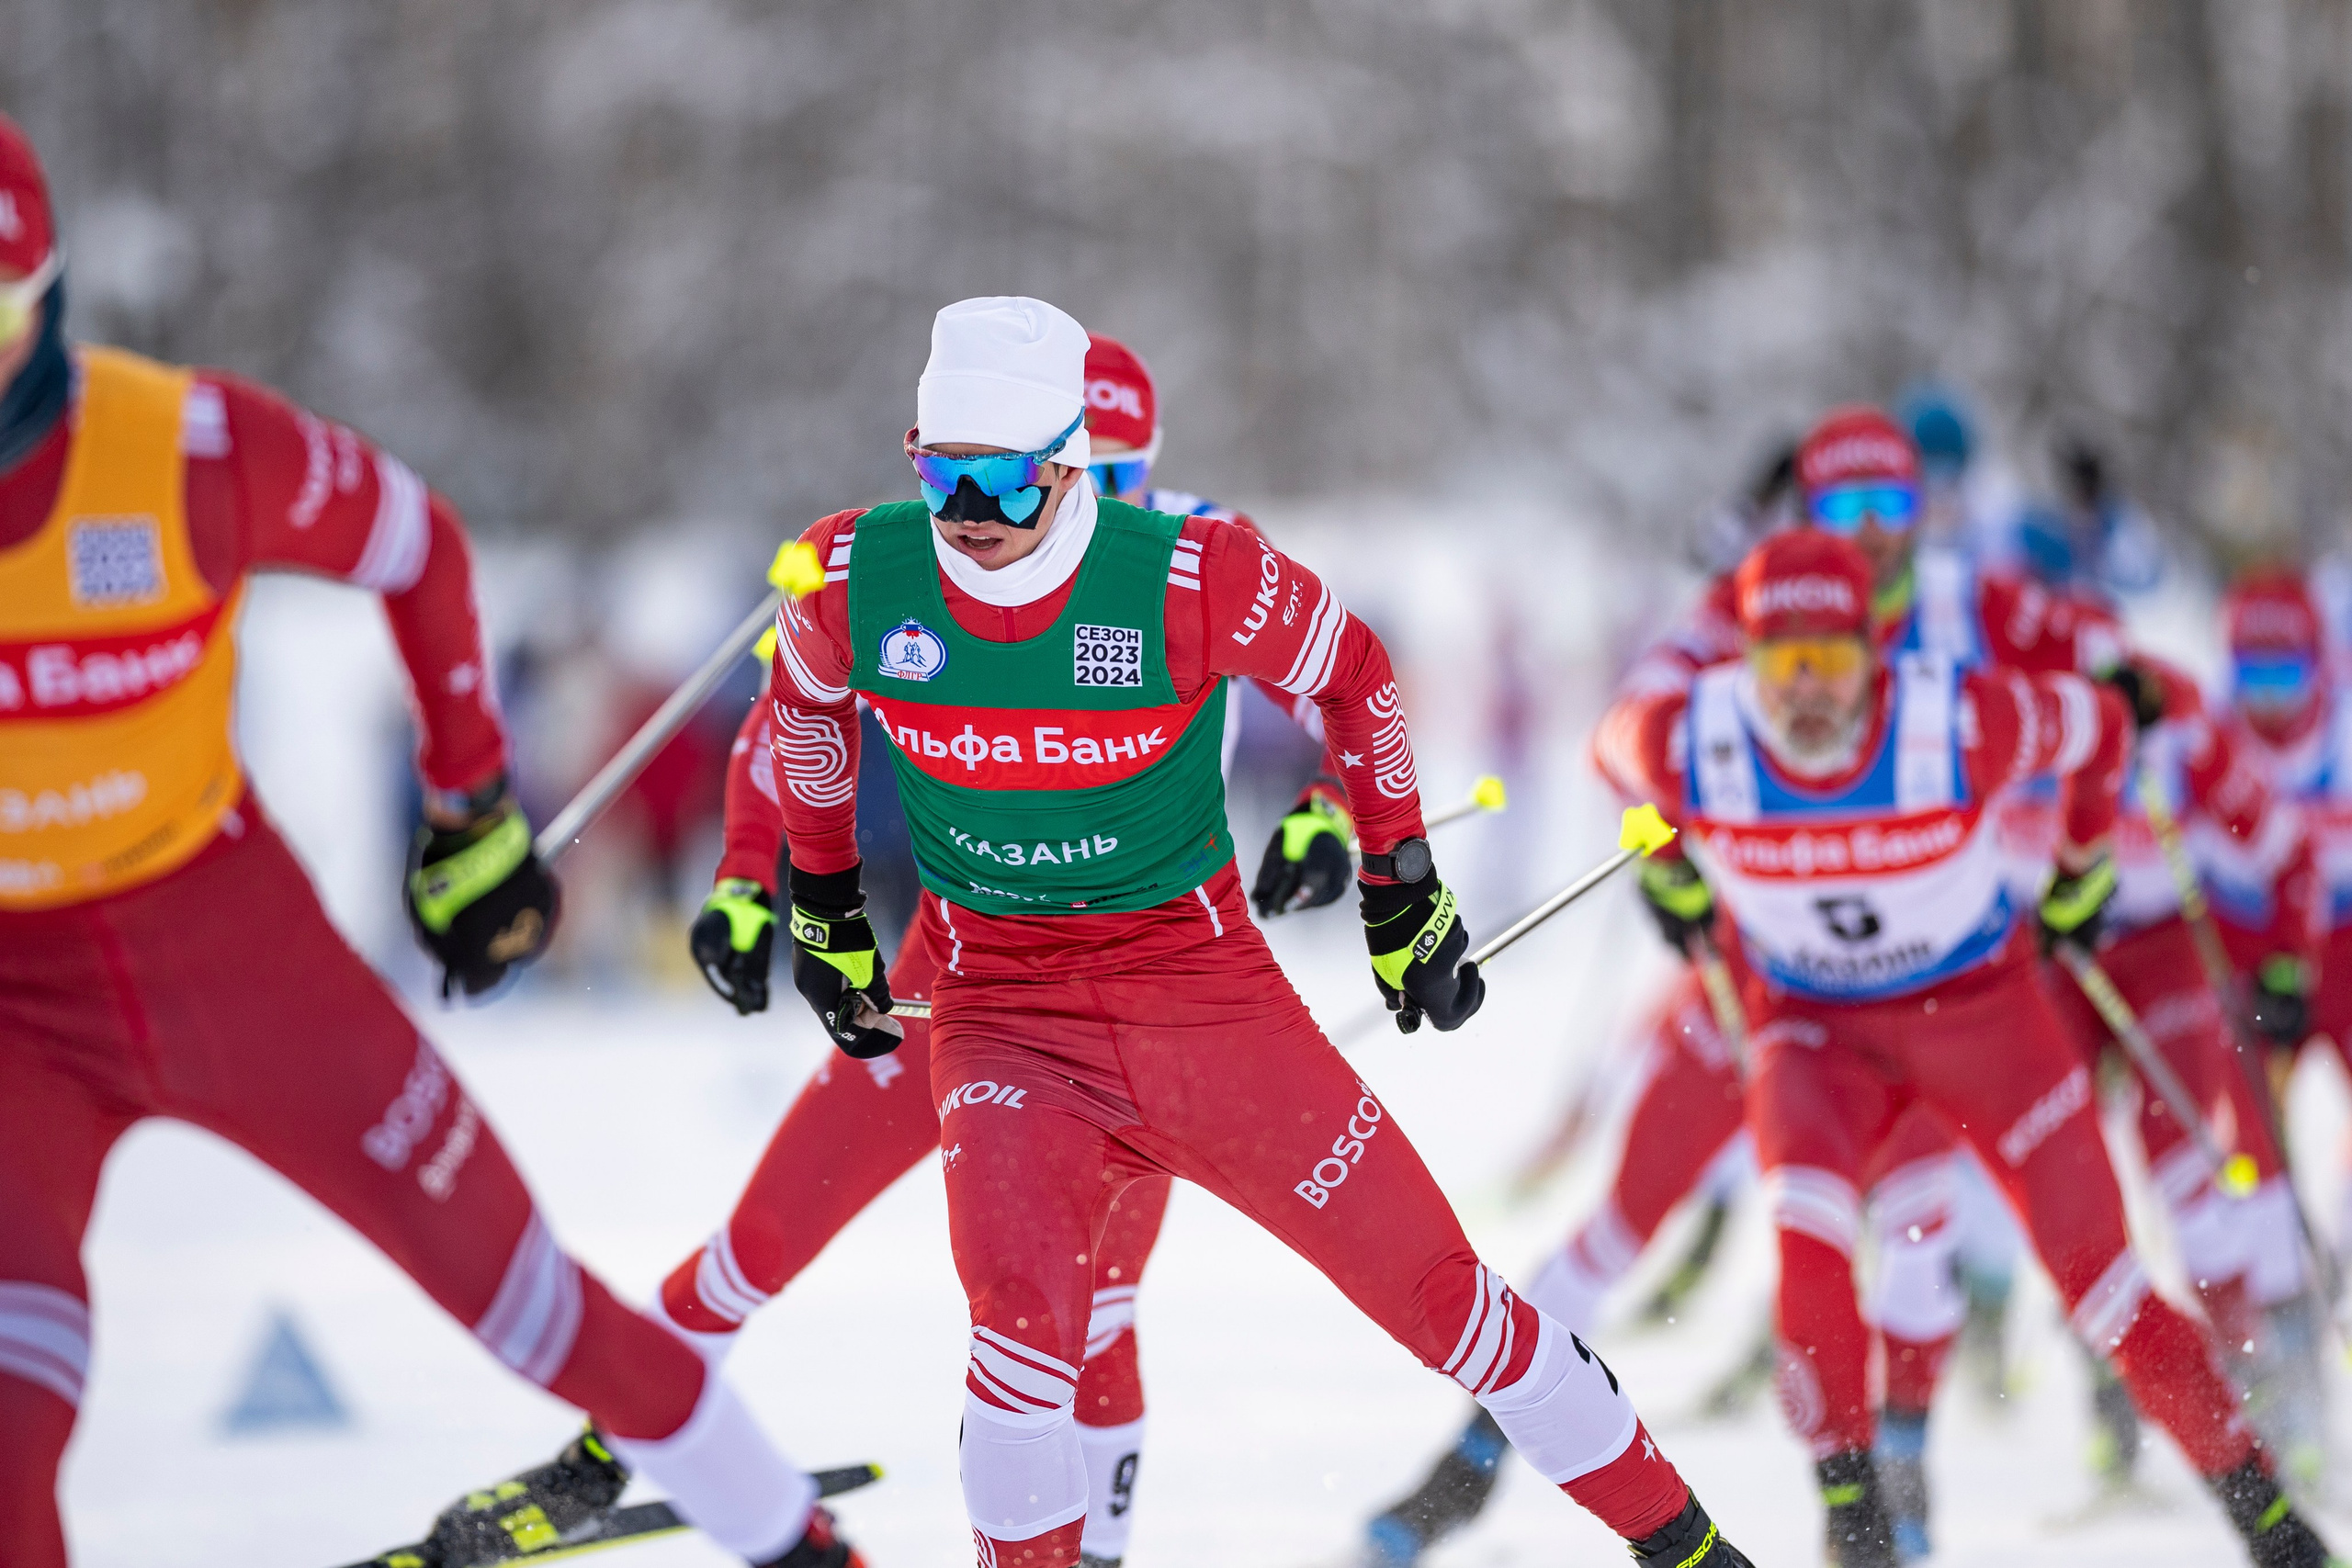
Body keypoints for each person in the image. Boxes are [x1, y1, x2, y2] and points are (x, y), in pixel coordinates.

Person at [756, 294, 1750, 1568]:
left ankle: (1694, 1551)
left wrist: (1397, 878)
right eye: (942, 477)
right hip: (1008, 1018)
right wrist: (826, 899)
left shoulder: (1190, 572)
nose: (971, 522)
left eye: (1004, 485)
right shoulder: (854, 570)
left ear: (1071, 464)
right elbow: (808, 699)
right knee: (1016, 1340)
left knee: (1445, 1301)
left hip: (1202, 1007)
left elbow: (1358, 670)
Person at [0, 117, 855, 1568]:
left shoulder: (190, 452)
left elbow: (416, 541)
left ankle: (800, 1545)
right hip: (17, 1004)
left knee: (523, 1297)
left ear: (51, 297)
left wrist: (471, 804)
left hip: (225, 942)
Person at [645, 330, 1348, 1568]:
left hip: (1145, 985)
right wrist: (751, 878)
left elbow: (1346, 693)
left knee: (1094, 1307)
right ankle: (633, 1424)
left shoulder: (1196, 551)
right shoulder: (953, 550)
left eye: (1125, 481)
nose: (1096, 513)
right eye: (1084, 478)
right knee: (779, 1213)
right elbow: (788, 705)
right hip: (959, 965)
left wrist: (1336, 814)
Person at [1601, 525, 2334, 1568]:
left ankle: (2271, 1523)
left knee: (2101, 1281)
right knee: (1807, 1249)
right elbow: (1614, 747)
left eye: (1833, 661)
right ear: (1746, 664)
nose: (1806, 694)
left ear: (1876, 653)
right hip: (1818, 1036)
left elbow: (2098, 728)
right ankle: (1855, 1530)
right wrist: (1659, 855)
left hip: (1981, 1022)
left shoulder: (1951, 720)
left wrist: (2080, 869)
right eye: (1782, 664)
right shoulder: (1700, 736)